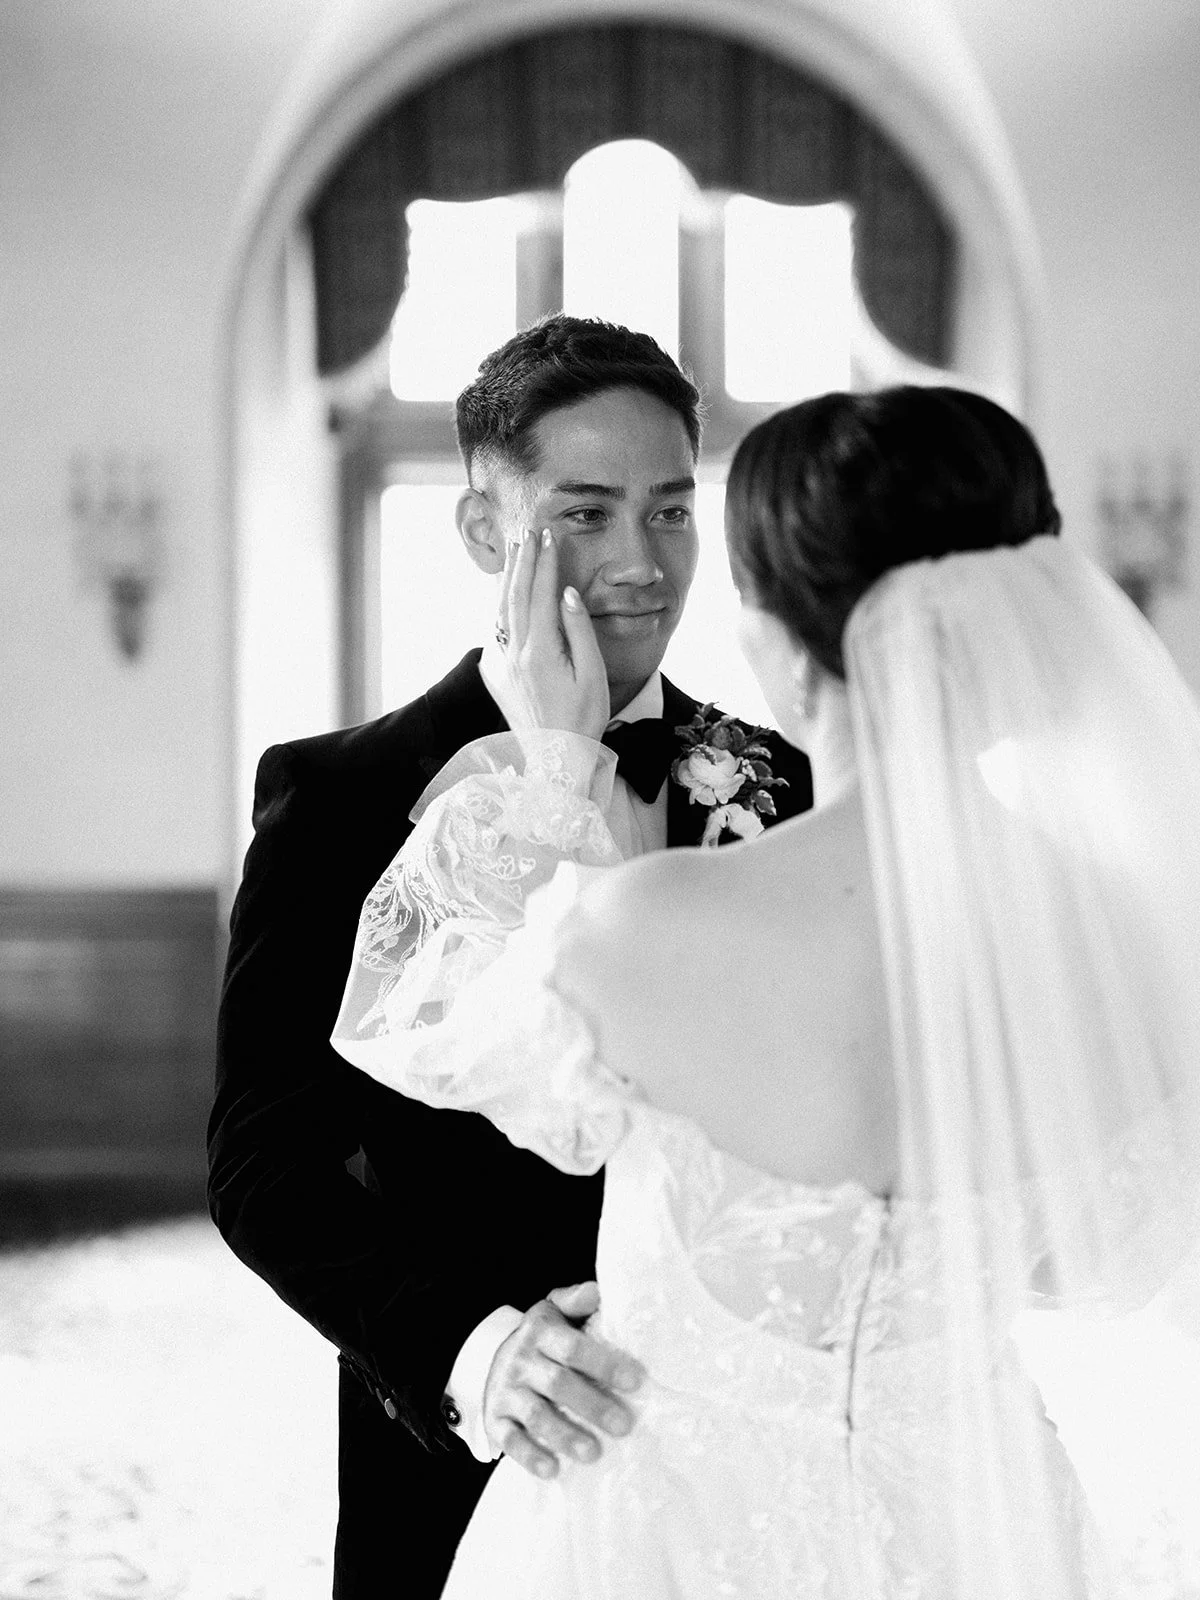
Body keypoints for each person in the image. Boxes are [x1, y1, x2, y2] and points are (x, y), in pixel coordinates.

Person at [332, 385, 1200, 1598]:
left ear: (785, 643)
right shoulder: (1114, 937)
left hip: (663, 1524)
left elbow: (409, 1012)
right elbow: (1093, 1254)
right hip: (984, 1523)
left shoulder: (648, 925)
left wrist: (551, 768)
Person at [207, 314, 813, 1598]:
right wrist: (473, 1350)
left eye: (669, 512)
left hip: (747, 1437)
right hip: (473, 1451)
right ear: (489, 532)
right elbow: (263, 1167)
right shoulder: (340, 796)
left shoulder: (784, 781)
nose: (640, 562)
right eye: (585, 514)